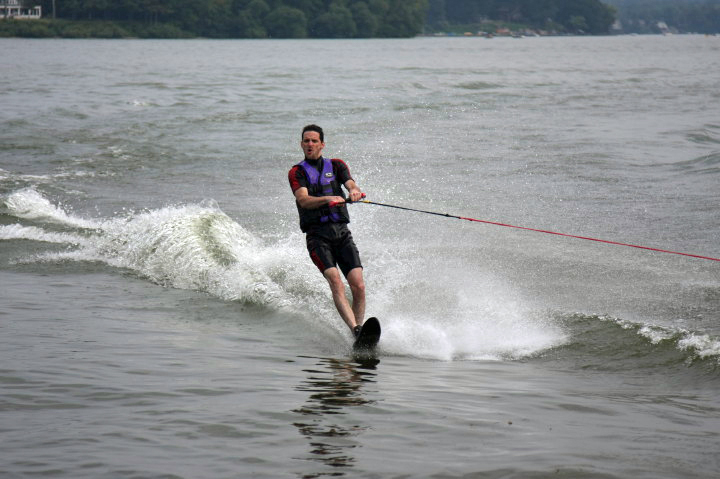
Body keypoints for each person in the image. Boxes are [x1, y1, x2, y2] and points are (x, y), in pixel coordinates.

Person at [288, 124, 366, 338]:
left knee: (358, 285)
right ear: (301, 144)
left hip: (341, 233)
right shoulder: (297, 172)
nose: (310, 144)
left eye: (314, 141)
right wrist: (328, 199)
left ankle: (359, 332)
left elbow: (350, 184)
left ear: (322, 144)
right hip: (317, 237)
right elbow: (303, 200)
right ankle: (355, 329)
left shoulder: (337, 165)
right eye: (306, 141)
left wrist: (354, 191)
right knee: (336, 280)